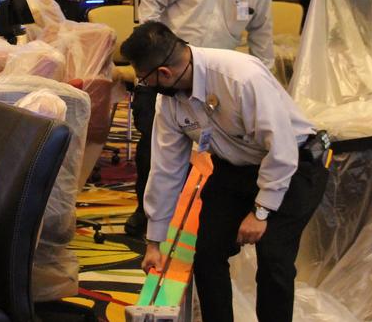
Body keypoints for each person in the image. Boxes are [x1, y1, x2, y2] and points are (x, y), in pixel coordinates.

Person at [123, 21, 326, 322]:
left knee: (273, 258)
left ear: (163, 74)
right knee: (207, 253)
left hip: (293, 166)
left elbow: (281, 149)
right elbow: (166, 168)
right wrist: (154, 241)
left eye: (144, 80)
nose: (144, 87)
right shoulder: (168, 100)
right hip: (234, 169)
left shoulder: (240, 78)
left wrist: (260, 211)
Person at [124, 0, 274, 238]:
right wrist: (157, 49)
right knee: (156, 144)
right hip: (168, 70)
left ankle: (202, 217)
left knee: (217, 149)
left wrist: (268, 84)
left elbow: (262, 33)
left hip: (217, 79)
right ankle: (147, 215)